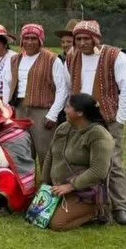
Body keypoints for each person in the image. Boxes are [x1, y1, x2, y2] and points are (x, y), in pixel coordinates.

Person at [65, 20, 126, 225]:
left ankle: (119, 206)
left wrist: (120, 118)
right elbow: (68, 85)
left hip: (109, 116)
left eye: (86, 38)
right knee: (83, 161)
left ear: (96, 38)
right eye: (78, 39)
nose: (82, 43)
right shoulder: (72, 56)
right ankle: (93, 207)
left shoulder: (115, 56)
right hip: (82, 119)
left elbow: (125, 87)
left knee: (113, 162)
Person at [42, 94, 114, 231]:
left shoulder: (99, 135)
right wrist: (44, 185)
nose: (64, 110)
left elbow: (98, 171)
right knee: (39, 216)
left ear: (80, 112)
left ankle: (97, 211)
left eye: (68, 107)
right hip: (60, 189)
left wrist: (70, 186)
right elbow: (50, 156)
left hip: (84, 193)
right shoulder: (63, 128)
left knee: (57, 224)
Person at [2, 24, 68, 166]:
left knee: (45, 151)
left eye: (34, 38)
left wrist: (53, 114)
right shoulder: (14, 60)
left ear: (40, 40)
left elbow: (62, 89)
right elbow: (7, 83)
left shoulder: (52, 59)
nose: (30, 42)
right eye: (26, 38)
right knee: (23, 149)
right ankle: (28, 183)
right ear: (22, 40)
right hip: (20, 109)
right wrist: (7, 108)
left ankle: (48, 184)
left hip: (42, 111)